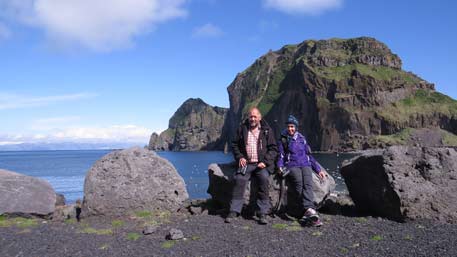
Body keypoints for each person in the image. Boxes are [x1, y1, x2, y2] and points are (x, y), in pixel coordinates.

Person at [225, 107, 278, 224]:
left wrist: (266, 161)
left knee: (263, 179)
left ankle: (263, 212)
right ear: (248, 117)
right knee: (239, 179)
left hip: (261, 164)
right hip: (247, 163)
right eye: (251, 116)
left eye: (255, 116)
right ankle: (234, 210)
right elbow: (234, 145)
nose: (253, 119)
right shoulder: (242, 129)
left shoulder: (267, 130)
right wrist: (240, 157)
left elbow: (273, 149)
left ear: (259, 117)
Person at [277, 114, 326, 226]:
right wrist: (279, 166)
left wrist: (318, 170)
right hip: (292, 165)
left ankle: (307, 213)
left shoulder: (302, 139)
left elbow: (309, 156)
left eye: (292, 126)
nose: (290, 129)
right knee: (299, 185)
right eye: (288, 126)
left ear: (296, 127)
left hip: (305, 164)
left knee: (308, 184)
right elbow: (281, 155)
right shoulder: (283, 139)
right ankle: (310, 211)